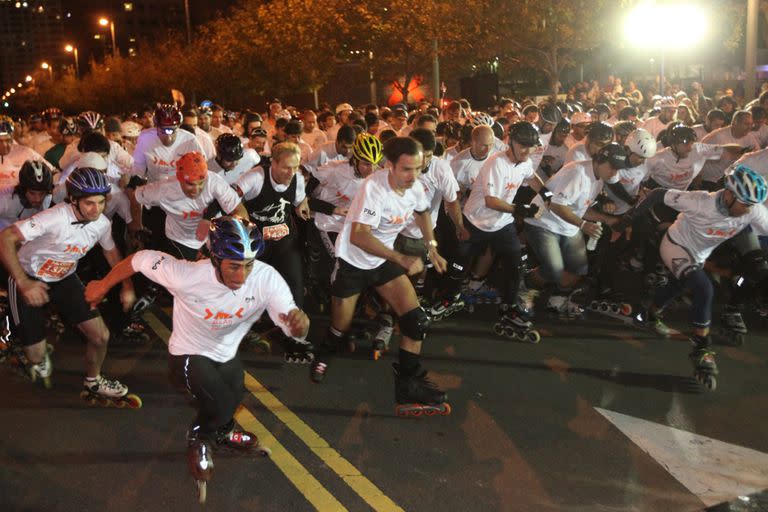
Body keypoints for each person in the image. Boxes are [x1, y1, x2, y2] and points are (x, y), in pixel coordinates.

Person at [84, 216, 309, 499]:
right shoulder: (186, 274)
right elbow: (139, 259)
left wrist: (299, 325)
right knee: (219, 400)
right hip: (187, 355)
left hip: (225, 353)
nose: (242, 276)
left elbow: (291, 321)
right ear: (216, 259)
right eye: (234, 266)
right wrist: (103, 285)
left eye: (248, 265)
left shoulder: (265, 278)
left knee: (236, 391)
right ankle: (200, 438)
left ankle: (223, 432)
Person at [310, 136, 452, 417]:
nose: (413, 176)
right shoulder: (373, 188)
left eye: (418, 169)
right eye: (406, 170)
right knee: (340, 327)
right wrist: (400, 258)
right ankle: (324, 352)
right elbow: (359, 236)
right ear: (389, 166)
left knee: (415, 321)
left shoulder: (415, 187)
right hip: (354, 262)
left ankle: (408, 385)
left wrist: (432, 247)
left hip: (382, 260)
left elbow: (423, 212)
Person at [615, 165, 768, 390]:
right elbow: (657, 194)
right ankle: (701, 349)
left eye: (752, 205)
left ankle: (649, 314)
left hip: (699, 255)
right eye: (745, 204)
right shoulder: (700, 201)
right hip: (675, 246)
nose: (749, 211)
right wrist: (627, 219)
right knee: (704, 288)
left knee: (679, 285)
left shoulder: (752, 209)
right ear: (728, 195)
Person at [0, 168, 138, 404]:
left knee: (101, 336)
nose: (96, 210)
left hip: (64, 278)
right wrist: (23, 283)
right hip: (30, 276)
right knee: (38, 359)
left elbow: (112, 253)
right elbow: (5, 239)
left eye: (101, 202)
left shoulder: (101, 224)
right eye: (89, 203)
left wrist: (126, 285)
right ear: (73, 199)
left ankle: (93, 382)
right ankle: (14, 335)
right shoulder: (54, 217)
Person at [429, 122, 545, 342]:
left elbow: (532, 177)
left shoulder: (525, 160)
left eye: (531, 147)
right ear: (511, 143)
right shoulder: (495, 164)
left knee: (515, 265)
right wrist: (520, 209)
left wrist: (547, 193)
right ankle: (450, 297)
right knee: (458, 264)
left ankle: (509, 306)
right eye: (523, 147)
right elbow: (491, 201)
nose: (527, 152)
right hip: (475, 222)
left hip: (502, 224)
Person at [524, 143, 629, 317]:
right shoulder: (578, 172)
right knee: (553, 269)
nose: (614, 173)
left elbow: (581, 208)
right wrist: (583, 225)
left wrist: (607, 219)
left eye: (617, 169)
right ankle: (525, 285)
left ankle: (557, 297)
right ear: (600, 160)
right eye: (612, 167)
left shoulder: (598, 177)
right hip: (543, 222)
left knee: (578, 269)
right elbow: (557, 205)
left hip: (567, 225)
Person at [133, 151, 247, 261]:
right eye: (190, 184)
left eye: (201, 183)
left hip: (210, 238)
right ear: (179, 178)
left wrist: (230, 233)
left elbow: (240, 211)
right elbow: (136, 195)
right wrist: (137, 226)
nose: (196, 190)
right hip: (180, 240)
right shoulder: (162, 190)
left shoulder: (214, 181)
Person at [0, 160, 54, 229]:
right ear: (23, 190)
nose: (38, 199)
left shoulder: (47, 199)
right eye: (32, 193)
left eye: (42, 193)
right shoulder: (5, 200)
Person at [0, 116, 49, 189]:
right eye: (0, 141)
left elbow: (50, 171)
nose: (4, 145)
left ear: (12, 137)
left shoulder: (25, 152)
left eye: (8, 140)